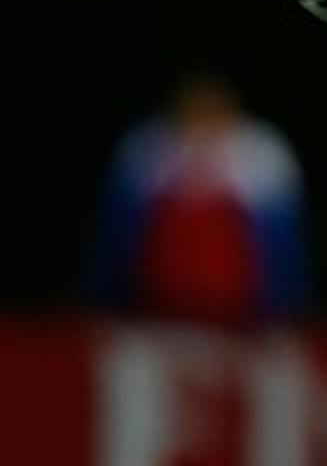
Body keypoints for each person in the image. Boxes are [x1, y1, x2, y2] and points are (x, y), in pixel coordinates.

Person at [87, 73, 308, 327]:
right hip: (157, 296)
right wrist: (102, 297)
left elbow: (283, 245)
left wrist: (286, 305)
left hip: (238, 302)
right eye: (192, 116)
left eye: (210, 115)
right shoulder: (148, 146)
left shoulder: (261, 153)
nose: (200, 126)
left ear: (228, 114)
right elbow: (116, 234)